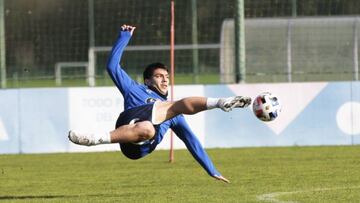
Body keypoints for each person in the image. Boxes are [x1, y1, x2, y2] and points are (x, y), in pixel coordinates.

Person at [68, 24, 251, 183]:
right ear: (147, 81)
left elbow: (191, 140)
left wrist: (211, 169)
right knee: (162, 114)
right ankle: (93, 139)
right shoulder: (133, 89)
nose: (164, 80)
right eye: (159, 76)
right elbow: (112, 67)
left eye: (166, 77)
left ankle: (221, 102)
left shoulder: (174, 113)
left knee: (153, 124)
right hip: (127, 125)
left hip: (141, 145)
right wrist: (124, 37)